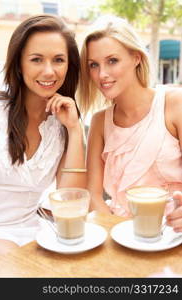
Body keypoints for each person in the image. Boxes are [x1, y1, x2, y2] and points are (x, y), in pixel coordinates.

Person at [79, 15, 182, 232]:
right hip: (119, 236)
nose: (102, 74)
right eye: (93, 65)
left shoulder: (174, 104)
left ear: (136, 58)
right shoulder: (99, 122)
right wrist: (119, 236)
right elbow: (93, 196)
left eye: (112, 61)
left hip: (174, 235)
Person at [0, 14, 87, 255]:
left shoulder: (63, 123)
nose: (49, 71)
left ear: (69, 66)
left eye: (58, 60)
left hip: (36, 237)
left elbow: (70, 203)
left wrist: (75, 129)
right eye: (36, 59)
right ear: (18, 63)